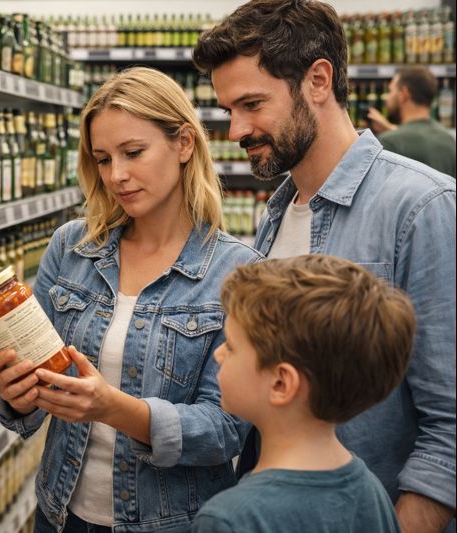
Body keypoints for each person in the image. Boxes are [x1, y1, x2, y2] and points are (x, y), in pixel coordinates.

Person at [193, 1, 456, 531]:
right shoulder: (277, 214)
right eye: (228, 111)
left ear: (318, 80)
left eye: (251, 104)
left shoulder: (422, 207)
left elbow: (449, 428)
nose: (235, 130)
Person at [0, 66, 261, 533]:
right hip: (59, 514)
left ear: (184, 144)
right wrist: (17, 396)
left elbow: (226, 429)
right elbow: (35, 390)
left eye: (133, 153)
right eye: (102, 159)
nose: (117, 175)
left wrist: (114, 409)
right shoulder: (71, 248)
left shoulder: (236, 271)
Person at [192, 255, 416, 533]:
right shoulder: (372, 492)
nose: (219, 353)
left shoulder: (228, 519)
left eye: (232, 346)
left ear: (281, 384)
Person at [367, 67, 456, 178]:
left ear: (404, 94)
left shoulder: (389, 142)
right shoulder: (448, 140)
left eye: (391, 91)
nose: (387, 98)